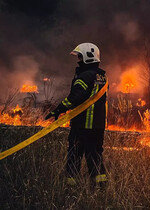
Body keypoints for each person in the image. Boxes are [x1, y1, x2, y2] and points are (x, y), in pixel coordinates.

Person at [45, 43, 108, 189]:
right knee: (95, 156)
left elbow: (75, 97)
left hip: (82, 125)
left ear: (87, 57)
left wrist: (58, 109)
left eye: (80, 57)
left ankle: (70, 188)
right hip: (98, 126)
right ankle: (100, 187)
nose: (78, 60)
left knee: (74, 155)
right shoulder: (102, 76)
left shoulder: (84, 76)